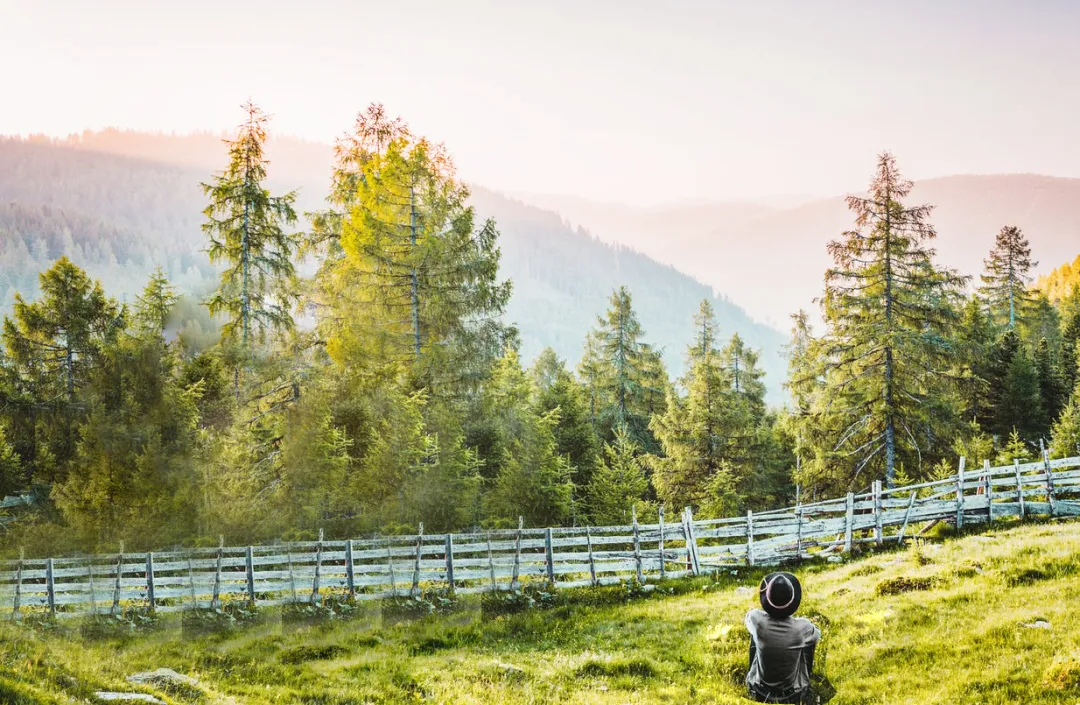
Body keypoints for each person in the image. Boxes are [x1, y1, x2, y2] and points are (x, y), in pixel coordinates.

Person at [745, 571, 820, 704]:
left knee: (755, 635)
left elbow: (749, 617)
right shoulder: (802, 627)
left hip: (760, 691)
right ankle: (806, 680)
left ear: (767, 599)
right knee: (808, 642)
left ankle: (751, 675)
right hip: (793, 694)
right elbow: (817, 634)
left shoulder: (757, 620)